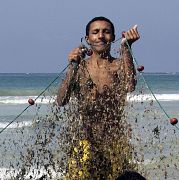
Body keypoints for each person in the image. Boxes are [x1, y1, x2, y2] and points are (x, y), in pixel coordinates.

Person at [57, 16, 140, 179]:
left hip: (115, 142)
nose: (101, 36)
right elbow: (61, 100)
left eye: (106, 32)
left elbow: (130, 85)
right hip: (85, 142)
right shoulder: (81, 67)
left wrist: (126, 48)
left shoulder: (118, 65)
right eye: (95, 32)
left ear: (113, 38)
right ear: (88, 39)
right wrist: (72, 65)